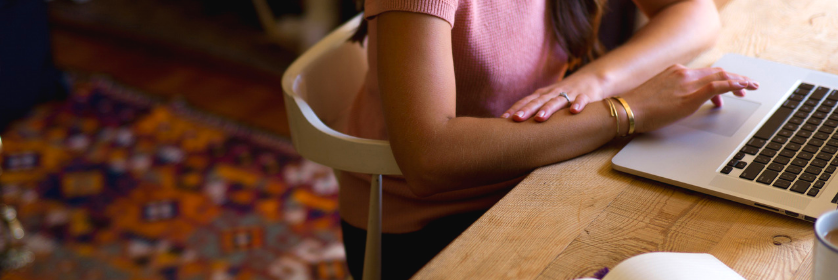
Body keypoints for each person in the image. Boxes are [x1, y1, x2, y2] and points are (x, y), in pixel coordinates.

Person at [336, 0, 759, 279]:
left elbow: (696, 14)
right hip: (428, 225)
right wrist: (628, 110)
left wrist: (593, 83)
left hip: (542, 172)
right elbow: (429, 158)